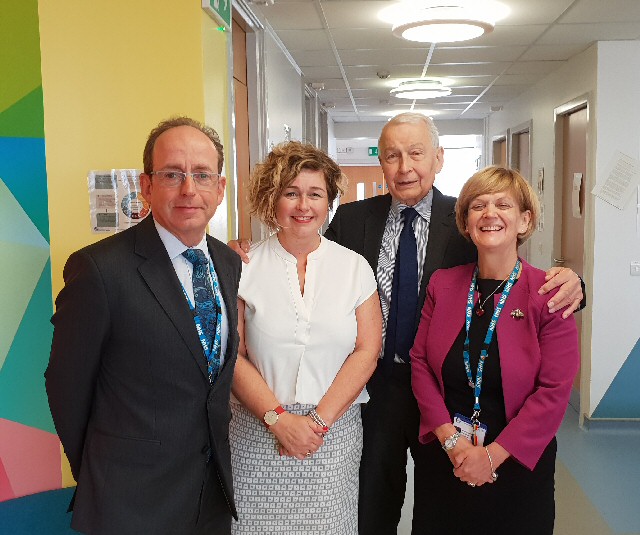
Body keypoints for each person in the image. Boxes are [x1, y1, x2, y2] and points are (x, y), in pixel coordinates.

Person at [230, 112, 584, 534]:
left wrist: (577, 283)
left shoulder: (467, 218)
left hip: (446, 393)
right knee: (371, 506)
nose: (404, 167)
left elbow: (509, 277)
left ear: (438, 158)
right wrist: (240, 249)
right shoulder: (351, 220)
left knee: (450, 507)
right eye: (392, 155)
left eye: (416, 153)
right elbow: (304, 252)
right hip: (371, 388)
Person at [45, 117, 241, 535]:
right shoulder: (99, 270)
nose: (189, 189)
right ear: (147, 186)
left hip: (210, 498)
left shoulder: (227, 263)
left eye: (202, 175)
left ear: (220, 189)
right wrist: (105, 472)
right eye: (173, 174)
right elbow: (66, 385)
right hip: (129, 503)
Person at [409, 166, 580, 534]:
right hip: (445, 458)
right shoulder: (444, 284)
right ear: (466, 222)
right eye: (478, 205)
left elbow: (554, 392)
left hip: (516, 463)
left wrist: (490, 456)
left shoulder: (550, 292)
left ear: (524, 220)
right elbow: (420, 363)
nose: (489, 214)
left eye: (503, 204)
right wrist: (453, 444)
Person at [229, 141, 382, 534]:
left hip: (332, 434)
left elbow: (367, 350)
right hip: (256, 431)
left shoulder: (354, 268)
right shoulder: (243, 267)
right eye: (291, 193)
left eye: (315, 194)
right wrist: (278, 421)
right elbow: (233, 354)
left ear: (329, 201)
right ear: (272, 199)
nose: (303, 205)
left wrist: (316, 423)